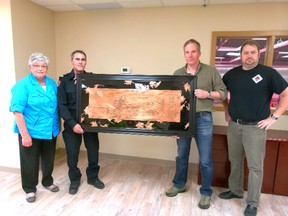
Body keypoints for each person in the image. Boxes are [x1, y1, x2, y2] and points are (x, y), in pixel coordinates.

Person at [219, 40, 288, 216]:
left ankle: (253, 202)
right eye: (245, 53)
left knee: (255, 167)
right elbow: (221, 92)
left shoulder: (268, 73)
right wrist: (227, 110)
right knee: (235, 161)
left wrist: (274, 117)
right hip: (234, 126)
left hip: (255, 128)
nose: (249, 56)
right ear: (241, 55)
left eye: (252, 53)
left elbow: (285, 94)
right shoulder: (232, 74)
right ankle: (235, 190)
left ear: (258, 54)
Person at [166, 39, 227, 209]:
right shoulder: (177, 72)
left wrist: (207, 93)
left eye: (193, 51)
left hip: (203, 119)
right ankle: (179, 184)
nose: (190, 55)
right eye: (187, 52)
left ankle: (206, 193)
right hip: (183, 120)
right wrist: (173, 125)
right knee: (181, 155)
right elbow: (171, 101)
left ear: (199, 53)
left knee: (206, 159)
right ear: (184, 54)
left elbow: (223, 93)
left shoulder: (210, 71)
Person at [9, 52, 60, 203]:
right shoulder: (22, 86)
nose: (40, 68)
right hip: (31, 130)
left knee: (48, 159)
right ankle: (30, 189)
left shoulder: (51, 83)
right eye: (36, 65)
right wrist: (25, 135)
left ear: (47, 68)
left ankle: (47, 181)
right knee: (30, 162)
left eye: (43, 66)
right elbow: (17, 111)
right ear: (30, 67)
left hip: (51, 129)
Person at [57, 50, 105, 195]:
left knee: (93, 152)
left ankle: (93, 177)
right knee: (72, 154)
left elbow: (102, 98)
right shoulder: (64, 81)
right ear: (72, 61)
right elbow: (62, 106)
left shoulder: (93, 79)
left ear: (86, 61)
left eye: (83, 59)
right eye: (77, 59)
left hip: (90, 124)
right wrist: (73, 124)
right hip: (72, 124)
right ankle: (75, 180)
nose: (80, 62)